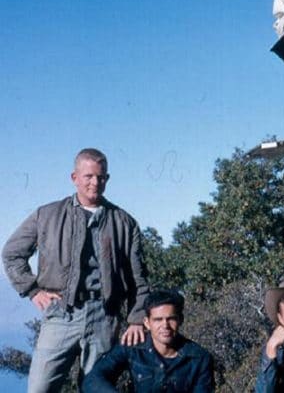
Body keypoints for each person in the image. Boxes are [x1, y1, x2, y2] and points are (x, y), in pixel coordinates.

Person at [2, 148, 150, 392]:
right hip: (61, 314)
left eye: (101, 177)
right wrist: (32, 290)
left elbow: (138, 277)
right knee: (40, 388)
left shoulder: (125, 222)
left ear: (107, 178)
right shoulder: (47, 215)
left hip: (105, 318)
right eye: (89, 176)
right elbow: (12, 253)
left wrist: (135, 319)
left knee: (95, 387)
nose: (95, 183)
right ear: (74, 178)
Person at [83, 289, 214, 392]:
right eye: (158, 320)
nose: (165, 325)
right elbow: (92, 380)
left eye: (171, 319)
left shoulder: (199, 358)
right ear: (147, 323)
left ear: (180, 320)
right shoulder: (132, 346)